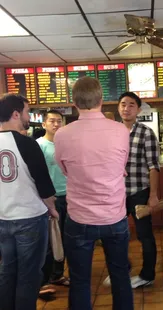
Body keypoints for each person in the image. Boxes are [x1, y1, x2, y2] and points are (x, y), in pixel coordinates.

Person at [54, 77, 133, 310]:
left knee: (79, 280)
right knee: (120, 276)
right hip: (114, 216)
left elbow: (65, 170)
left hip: (79, 218)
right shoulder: (121, 131)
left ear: (73, 102)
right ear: (102, 100)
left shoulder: (62, 134)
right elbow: (121, 167)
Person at [0, 94, 58, 310]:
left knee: (7, 270)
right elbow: (45, 187)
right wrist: (53, 209)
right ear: (16, 114)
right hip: (30, 219)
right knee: (29, 274)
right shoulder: (28, 144)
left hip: (3, 219)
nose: (28, 116)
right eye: (26, 111)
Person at [118, 91, 160, 288]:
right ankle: (122, 270)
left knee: (144, 236)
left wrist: (153, 195)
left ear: (138, 110)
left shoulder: (145, 133)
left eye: (131, 105)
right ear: (119, 108)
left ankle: (147, 274)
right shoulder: (112, 132)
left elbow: (154, 166)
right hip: (116, 194)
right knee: (116, 235)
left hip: (139, 193)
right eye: (123, 104)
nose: (126, 108)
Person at [37, 110, 69, 297]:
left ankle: (57, 274)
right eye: (52, 121)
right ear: (44, 124)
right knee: (50, 241)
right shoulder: (38, 145)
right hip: (50, 199)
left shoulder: (65, 145)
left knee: (63, 238)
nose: (56, 124)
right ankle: (45, 280)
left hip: (69, 196)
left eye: (59, 121)